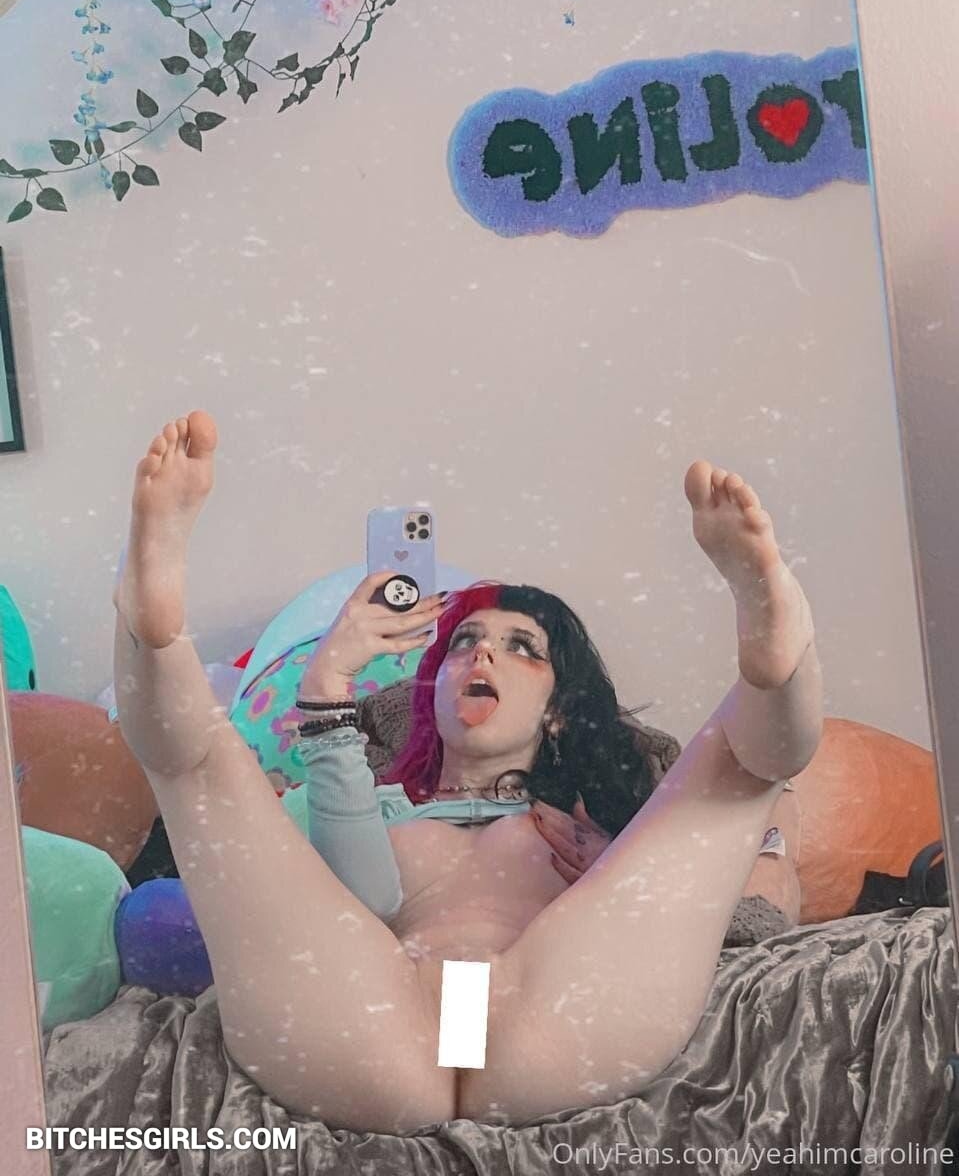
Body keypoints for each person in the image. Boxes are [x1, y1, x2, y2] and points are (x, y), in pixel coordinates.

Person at [113, 410, 822, 1135]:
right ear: (430, 693)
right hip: (372, 1025)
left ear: (557, 711)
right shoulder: (372, 802)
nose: (481, 654)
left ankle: (776, 656)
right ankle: (151, 628)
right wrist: (327, 683)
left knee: (738, 769)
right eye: (463, 643)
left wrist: (613, 867)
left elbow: (754, 873)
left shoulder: (595, 823)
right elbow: (360, 902)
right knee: (204, 768)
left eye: (523, 649)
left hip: (549, 1017)